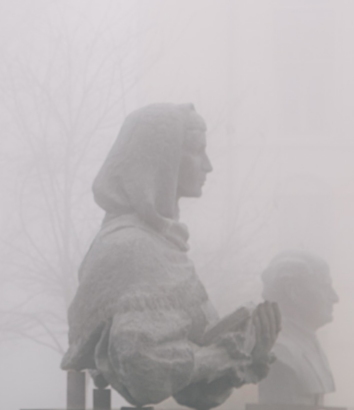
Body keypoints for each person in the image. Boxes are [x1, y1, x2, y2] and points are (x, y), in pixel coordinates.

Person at [62, 104, 280, 410]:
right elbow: (143, 373)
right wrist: (223, 356)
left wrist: (245, 355)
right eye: (197, 150)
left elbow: (192, 393)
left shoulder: (164, 246)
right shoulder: (131, 248)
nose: (208, 166)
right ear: (160, 159)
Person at [257, 251, 339, 407]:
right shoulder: (279, 351)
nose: (335, 298)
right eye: (325, 287)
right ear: (294, 291)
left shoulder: (312, 346)